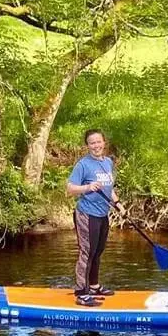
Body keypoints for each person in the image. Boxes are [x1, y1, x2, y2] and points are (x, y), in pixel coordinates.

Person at [66, 129, 119, 304]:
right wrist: (87, 188)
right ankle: (81, 292)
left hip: (103, 213)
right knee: (87, 252)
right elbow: (70, 189)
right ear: (87, 146)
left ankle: (94, 286)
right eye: (92, 143)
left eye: (98, 142)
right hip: (86, 214)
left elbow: (108, 189)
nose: (96, 145)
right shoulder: (83, 165)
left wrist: (118, 204)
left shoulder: (108, 162)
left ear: (104, 143)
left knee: (98, 251)